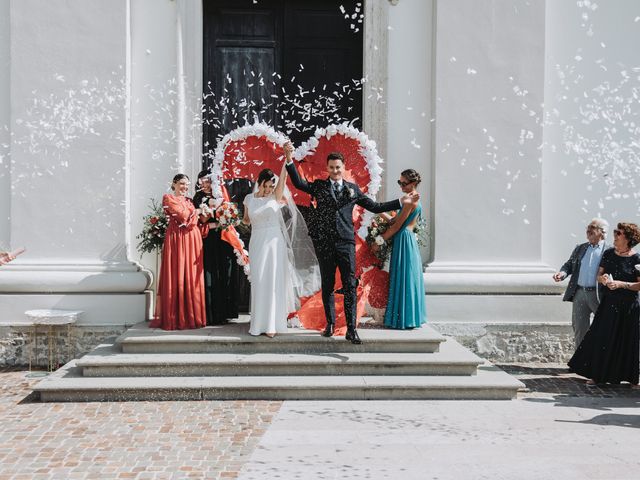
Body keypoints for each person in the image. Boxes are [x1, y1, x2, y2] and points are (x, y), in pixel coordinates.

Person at [285, 143, 419, 344]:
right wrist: (289, 158)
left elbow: (375, 206)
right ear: (327, 168)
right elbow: (297, 183)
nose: (335, 171)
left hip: (346, 243)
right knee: (328, 284)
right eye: (331, 167)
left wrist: (400, 202)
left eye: (338, 167)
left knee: (349, 285)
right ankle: (329, 325)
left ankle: (351, 329)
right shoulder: (319, 186)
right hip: (325, 244)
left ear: (344, 167)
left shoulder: (353, 189)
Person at [568, 222, 640, 388]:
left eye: (618, 233)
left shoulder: (637, 258)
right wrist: (605, 280)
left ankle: (631, 378)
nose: (615, 235)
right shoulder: (608, 253)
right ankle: (597, 374)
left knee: (627, 339)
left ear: (628, 238)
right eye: (615, 231)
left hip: (629, 306)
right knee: (601, 337)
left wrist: (622, 284)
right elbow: (600, 275)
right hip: (609, 303)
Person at [242, 164, 295, 337]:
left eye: (271, 186)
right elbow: (246, 221)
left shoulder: (275, 197)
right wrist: (227, 217)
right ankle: (258, 323)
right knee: (259, 280)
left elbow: (283, 179)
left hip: (274, 243)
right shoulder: (249, 199)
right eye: (266, 186)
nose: (269, 189)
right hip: (257, 241)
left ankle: (273, 324)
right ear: (259, 183)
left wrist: (286, 162)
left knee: (273, 280)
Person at [150, 174, 208, 330]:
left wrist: (196, 213)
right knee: (177, 273)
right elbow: (183, 217)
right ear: (174, 184)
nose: (185, 187)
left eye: (187, 184)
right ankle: (177, 317)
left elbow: (196, 221)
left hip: (192, 240)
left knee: (192, 276)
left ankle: (192, 316)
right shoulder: (168, 198)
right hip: (177, 240)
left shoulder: (189, 201)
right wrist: (196, 212)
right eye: (182, 183)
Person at [376, 169, 427, 329]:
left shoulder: (411, 200)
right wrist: (378, 212)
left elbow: (397, 226)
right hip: (406, 239)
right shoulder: (412, 199)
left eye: (404, 183)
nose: (401, 186)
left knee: (404, 277)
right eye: (399, 182)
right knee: (405, 276)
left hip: (404, 238)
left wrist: (379, 240)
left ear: (413, 184)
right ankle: (407, 317)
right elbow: (395, 220)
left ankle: (403, 319)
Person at [553, 218, 609, 350]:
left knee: (604, 327)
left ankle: (601, 360)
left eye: (593, 227)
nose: (588, 230)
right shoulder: (580, 248)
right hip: (580, 293)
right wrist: (562, 273)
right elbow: (569, 265)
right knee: (579, 327)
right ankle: (579, 360)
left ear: (602, 232)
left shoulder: (609, 250)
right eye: (588, 227)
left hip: (599, 294)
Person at [193, 170, 237, 325]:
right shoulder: (198, 198)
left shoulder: (220, 196)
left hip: (223, 240)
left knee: (225, 272)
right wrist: (210, 214)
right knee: (210, 274)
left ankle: (225, 312)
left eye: (207, 181)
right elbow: (200, 219)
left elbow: (230, 216)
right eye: (201, 181)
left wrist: (223, 217)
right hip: (208, 240)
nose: (204, 184)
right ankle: (211, 314)